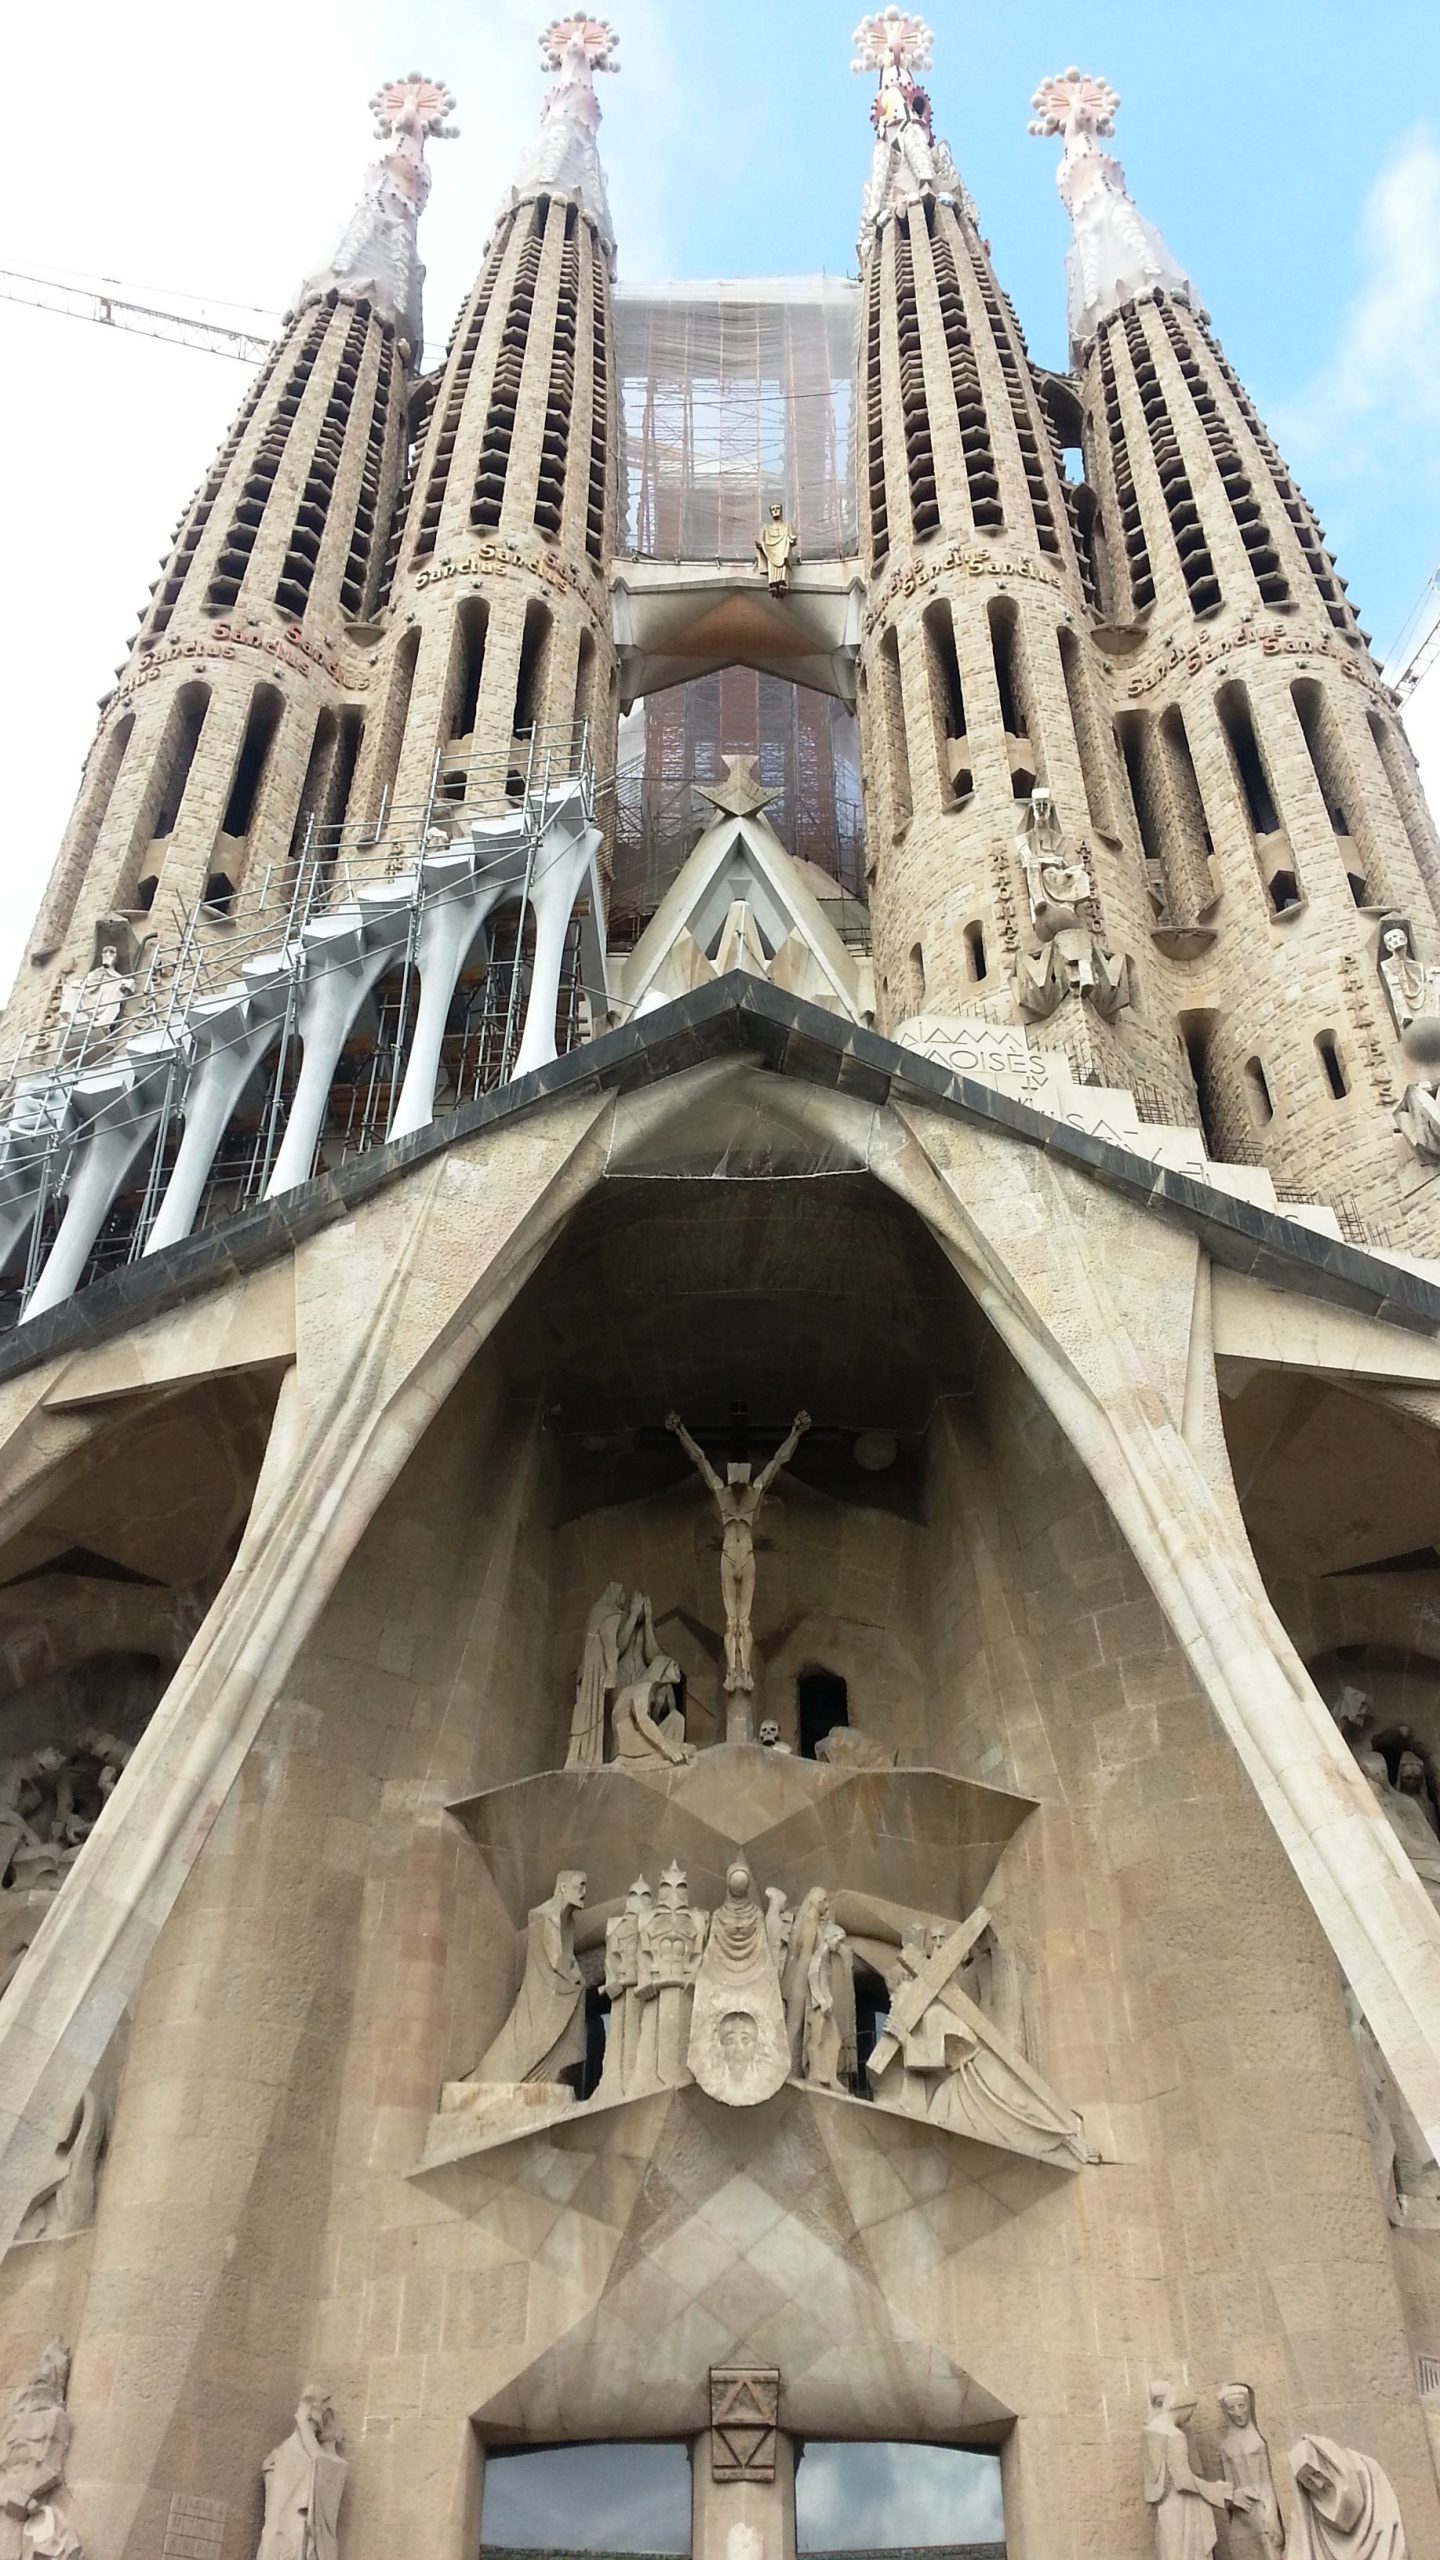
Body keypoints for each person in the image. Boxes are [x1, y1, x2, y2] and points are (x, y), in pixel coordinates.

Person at [666, 1410, 811, 1696]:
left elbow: (778, 1461)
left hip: (745, 1556)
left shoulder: (755, 1492)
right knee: (731, 1622)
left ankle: (745, 1673)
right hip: (730, 1556)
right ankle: (733, 1672)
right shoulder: (721, 1493)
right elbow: (700, 1460)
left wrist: (796, 1432)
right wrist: (680, 1430)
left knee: (743, 1622)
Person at [1288, 2434, 1408, 2560]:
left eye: (1317, 2474)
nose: (1319, 2484)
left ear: (1328, 2462)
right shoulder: (1312, 2516)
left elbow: (1389, 2526)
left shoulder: (1366, 2473)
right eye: (1310, 2483)